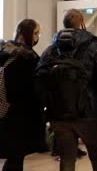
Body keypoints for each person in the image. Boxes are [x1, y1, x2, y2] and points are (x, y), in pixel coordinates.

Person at [38, 9, 97, 171]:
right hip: (90, 113)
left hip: (60, 113)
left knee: (66, 160)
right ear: (82, 24)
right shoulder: (94, 48)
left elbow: (40, 80)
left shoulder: (51, 50)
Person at [0, 19, 45, 171]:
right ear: (30, 35)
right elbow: (34, 91)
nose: (37, 37)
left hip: (3, 111)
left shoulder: (4, 52)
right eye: (37, 33)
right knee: (16, 158)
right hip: (19, 116)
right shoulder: (29, 59)